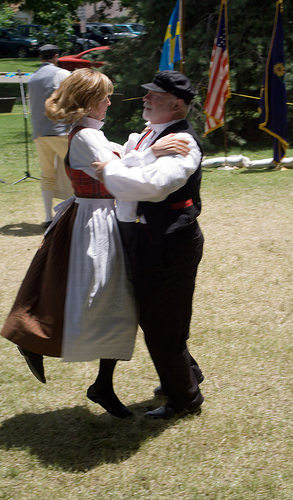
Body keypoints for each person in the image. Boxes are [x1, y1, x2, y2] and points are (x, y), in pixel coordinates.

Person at [1, 68, 189, 419]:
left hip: (103, 218)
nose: (108, 101)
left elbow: (121, 159)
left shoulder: (93, 135)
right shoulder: (86, 137)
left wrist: (146, 150)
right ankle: (45, 348)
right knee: (106, 301)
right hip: (93, 222)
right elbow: (123, 175)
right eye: (103, 96)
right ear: (88, 100)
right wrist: (154, 152)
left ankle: (102, 382)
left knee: (110, 302)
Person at [93, 70, 205, 419]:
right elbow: (125, 158)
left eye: (155, 95)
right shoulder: (150, 136)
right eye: (148, 93)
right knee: (156, 320)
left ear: (176, 104)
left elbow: (150, 187)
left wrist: (109, 173)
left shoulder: (182, 143)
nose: (146, 98)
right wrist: (135, 158)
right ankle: (186, 375)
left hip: (167, 242)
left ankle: (185, 399)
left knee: (162, 327)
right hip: (144, 238)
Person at [28, 44, 73, 228]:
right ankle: (71, 214)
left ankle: (48, 217)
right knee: (73, 172)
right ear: (56, 56)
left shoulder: (32, 78)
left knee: (47, 175)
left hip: (40, 131)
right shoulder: (62, 74)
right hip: (59, 130)